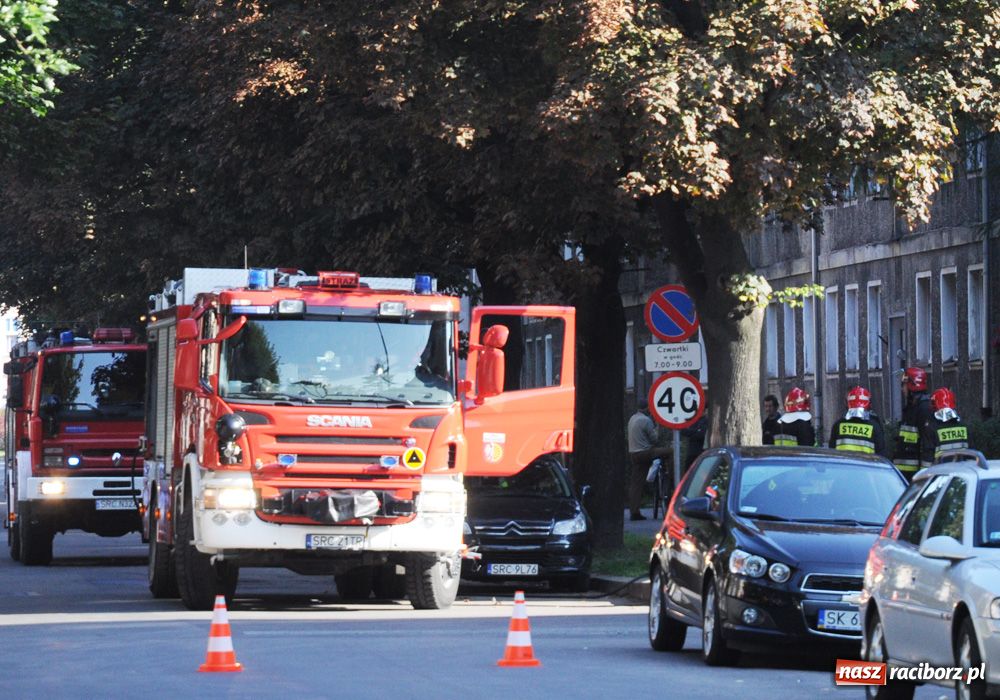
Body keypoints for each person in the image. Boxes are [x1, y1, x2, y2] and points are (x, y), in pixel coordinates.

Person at [627, 398, 672, 521]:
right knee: (670, 452)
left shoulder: (632, 419)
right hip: (646, 453)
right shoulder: (646, 420)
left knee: (636, 483)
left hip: (634, 454)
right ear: (647, 408)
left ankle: (634, 511)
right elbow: (654, 439)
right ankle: (671, 476)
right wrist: (657, 426)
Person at [894, 366, 934, 481]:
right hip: (906, 475)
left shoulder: (924, 409)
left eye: (904, 385)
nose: (902, 389)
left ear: (912, 385)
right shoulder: (912, 408)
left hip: (916, 476)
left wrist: (923, 476)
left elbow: (927, 445)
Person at [828, 386, 888, 456]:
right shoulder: (874, 427)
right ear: (868, 404)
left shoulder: (838, 425)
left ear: (848, 403)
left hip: (843, 466)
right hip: (866, 466)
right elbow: (881, 453)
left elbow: (831, 451)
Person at [921, 387, 970, 463]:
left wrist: (924, 473)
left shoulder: (931, 428)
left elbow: (928, 457)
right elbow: (972, 454)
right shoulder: (964, 427)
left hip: (941, 472)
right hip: (962, 472)